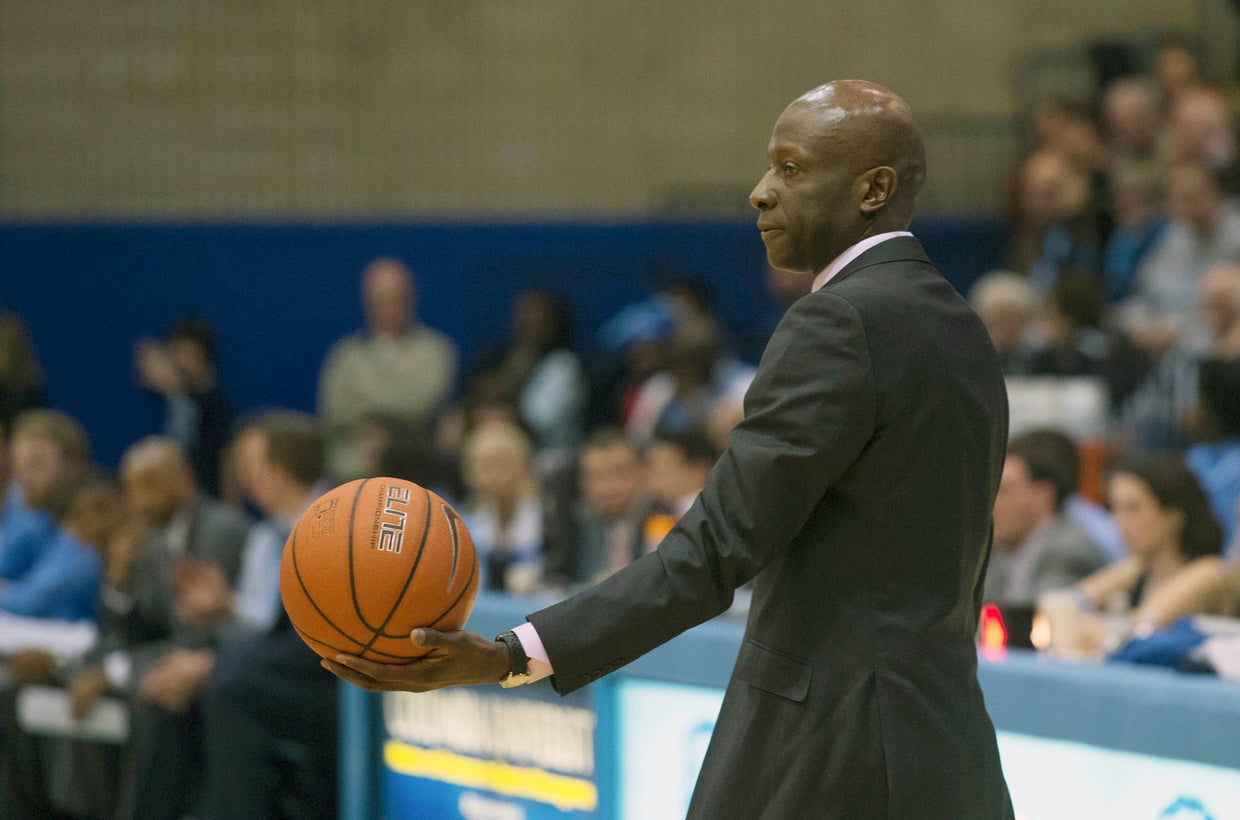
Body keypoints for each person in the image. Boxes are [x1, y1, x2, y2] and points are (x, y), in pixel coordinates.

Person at [324, 80, 1015, 818]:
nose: (759, 193)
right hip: (947, 747)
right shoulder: (959, 323)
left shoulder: (836, 323)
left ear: (874, 189)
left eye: (791, 169)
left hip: (828, 753)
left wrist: (510, 655)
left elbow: (714, 549)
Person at [317, 257, 458, 480]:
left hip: (415, 460)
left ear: (412, 299)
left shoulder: (436, 349)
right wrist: (397, 392)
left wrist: (372, 410)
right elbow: (335, 411)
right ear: (367, 302)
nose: (389, 308)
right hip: (353, 465)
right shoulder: (346, 354)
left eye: (396, 299)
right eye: (380, 300)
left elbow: (421, 404)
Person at [985, 430, 1112, 610]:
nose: (993, 504)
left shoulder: (1070, 552)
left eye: (1005, 490)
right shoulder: (1000, 550)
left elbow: (1036, 624)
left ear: (1044, 495)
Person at [134, 317, 233, 497]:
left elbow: (186, 448)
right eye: (175, 354)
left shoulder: (216, 402)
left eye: (187, 354)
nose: (180, 363)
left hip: (208, 498)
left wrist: (173, 389)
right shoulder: (178, 399)